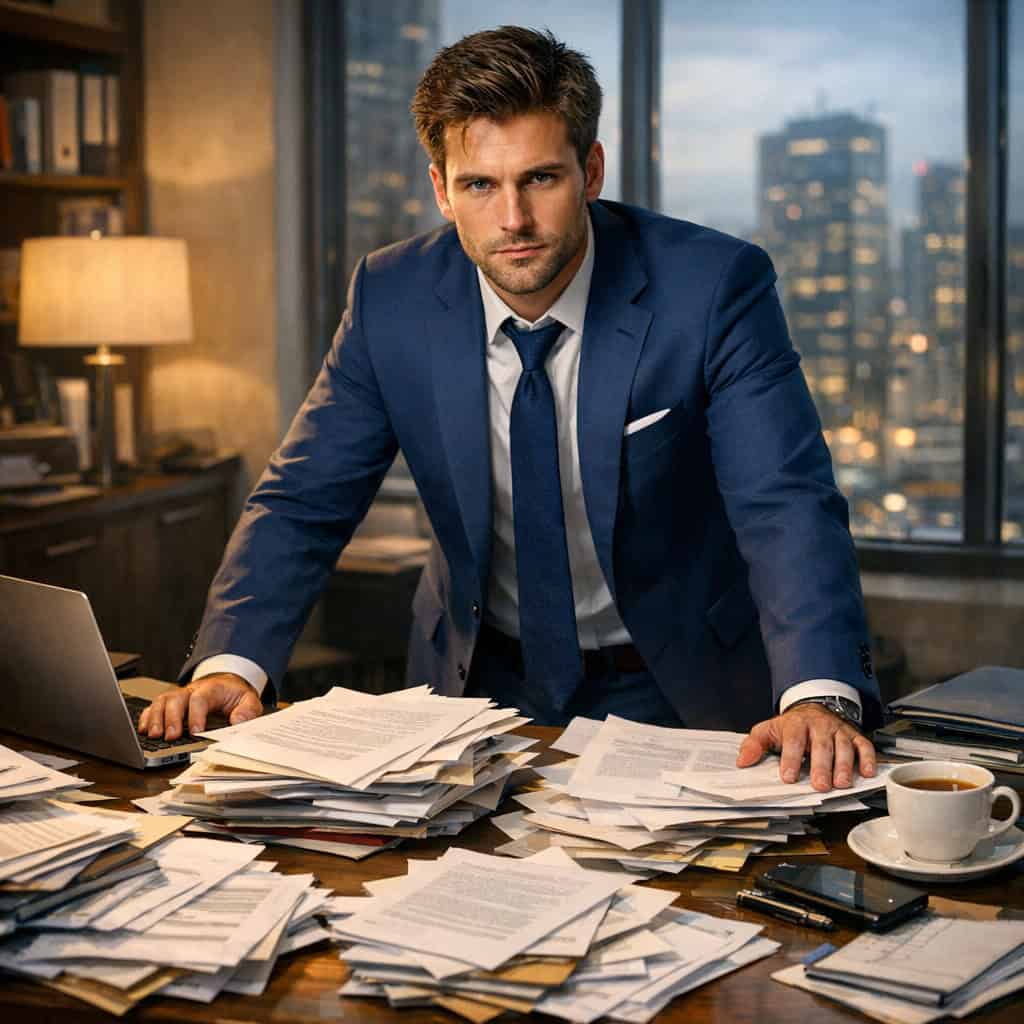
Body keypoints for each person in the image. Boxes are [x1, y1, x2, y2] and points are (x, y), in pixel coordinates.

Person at [140, 26, 880, 792]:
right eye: (479, 186)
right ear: (440, 188)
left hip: (675, 683)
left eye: (540, 179)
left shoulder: (713, 287)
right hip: (472, 683)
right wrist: (234, 661)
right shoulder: (390, 298)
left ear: (591, 171)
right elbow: (304, 498)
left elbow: (785, 501)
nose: (513, 221)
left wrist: (820, 692)